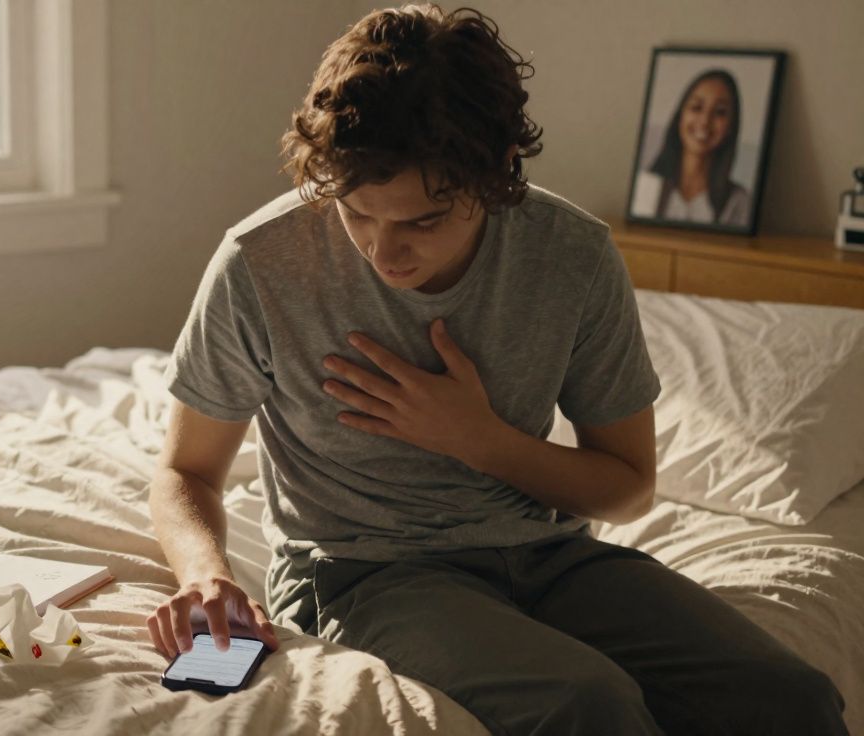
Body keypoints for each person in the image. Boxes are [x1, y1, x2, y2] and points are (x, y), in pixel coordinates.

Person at [146, 5, 847, 734]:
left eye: (422, 222)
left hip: (549, 558)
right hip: (365, 573)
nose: (385, 253)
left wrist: (479, 439)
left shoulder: (570, 256)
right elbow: (186, 470)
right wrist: (207, 577)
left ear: (502, 169)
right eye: (358, 213)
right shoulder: (261, 261)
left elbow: (630, 487)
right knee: (586, 704)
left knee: (790, 696)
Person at [631, 68, 752, 227]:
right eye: (696, 107)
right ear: (680, 115)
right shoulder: (646, 187)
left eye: (720, 112)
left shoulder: (738, 201)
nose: (705, 121)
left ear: (730, 126)